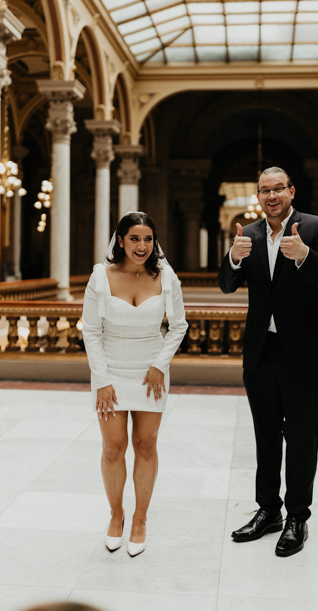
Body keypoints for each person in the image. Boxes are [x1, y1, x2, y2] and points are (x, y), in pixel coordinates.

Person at [218, 166, 318, 557]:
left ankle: (296, 517)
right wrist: (233, 260)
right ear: (258, 196)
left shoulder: (316, 228)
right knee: (266, 434)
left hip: (304, 352)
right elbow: (226, 284)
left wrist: (305, 256)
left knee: (302, 437)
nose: (271, 196)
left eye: (278, 189)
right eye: (264, 191)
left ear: (291, 192)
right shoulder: (249, 235)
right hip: (261, 351)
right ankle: (268, 510)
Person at [82, 212, 188, 557]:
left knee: (145, 444)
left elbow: (178, 326)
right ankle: (117, 516)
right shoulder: (101, 277)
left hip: (150, 371)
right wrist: (101, 380)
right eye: (134, 239)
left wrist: (160, 365)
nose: (142, 246)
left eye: (148, 239)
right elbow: (91, 331)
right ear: (121, 240)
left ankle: (140, 520)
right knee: (113, 447)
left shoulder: (166, 277)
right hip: (110, 369)